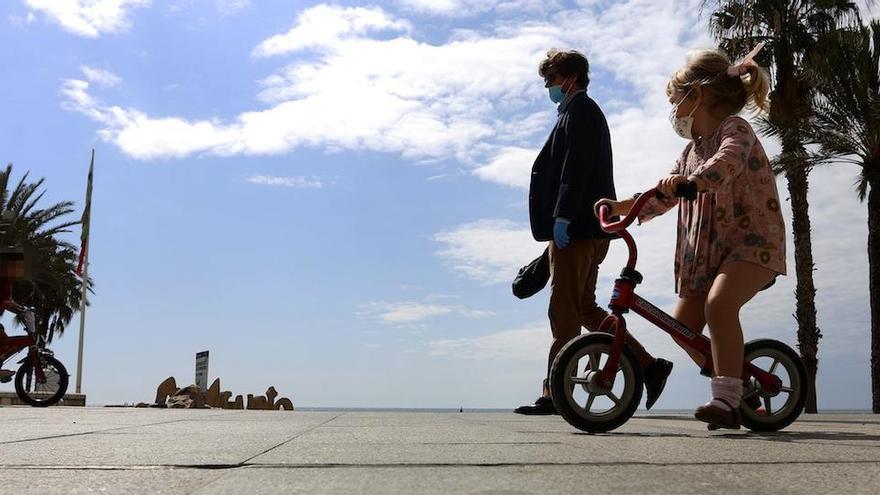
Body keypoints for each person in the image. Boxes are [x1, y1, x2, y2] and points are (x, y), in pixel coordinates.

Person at [595, 45, 785, 429]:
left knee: (718, 306)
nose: (674, 112)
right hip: (708, 252)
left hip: (751, 245)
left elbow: (727, 162)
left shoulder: (735, 130)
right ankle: (740, 387)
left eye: (675, 101)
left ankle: (728, 400)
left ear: (696, 96)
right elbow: (662, 193)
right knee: (682, 327)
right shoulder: (689, 152)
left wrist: (695, 182)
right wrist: (622, 208)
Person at [515, 49, 673, 416]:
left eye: (551, 79)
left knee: (564, 310)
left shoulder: (580, 111)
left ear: (570, 77)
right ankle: (648, 365)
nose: (547, 86)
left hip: (579, 228)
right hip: (588, 230)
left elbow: (576, 168)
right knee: (584, 306)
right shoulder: (575, 112)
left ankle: (556, 393)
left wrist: (564, 217)